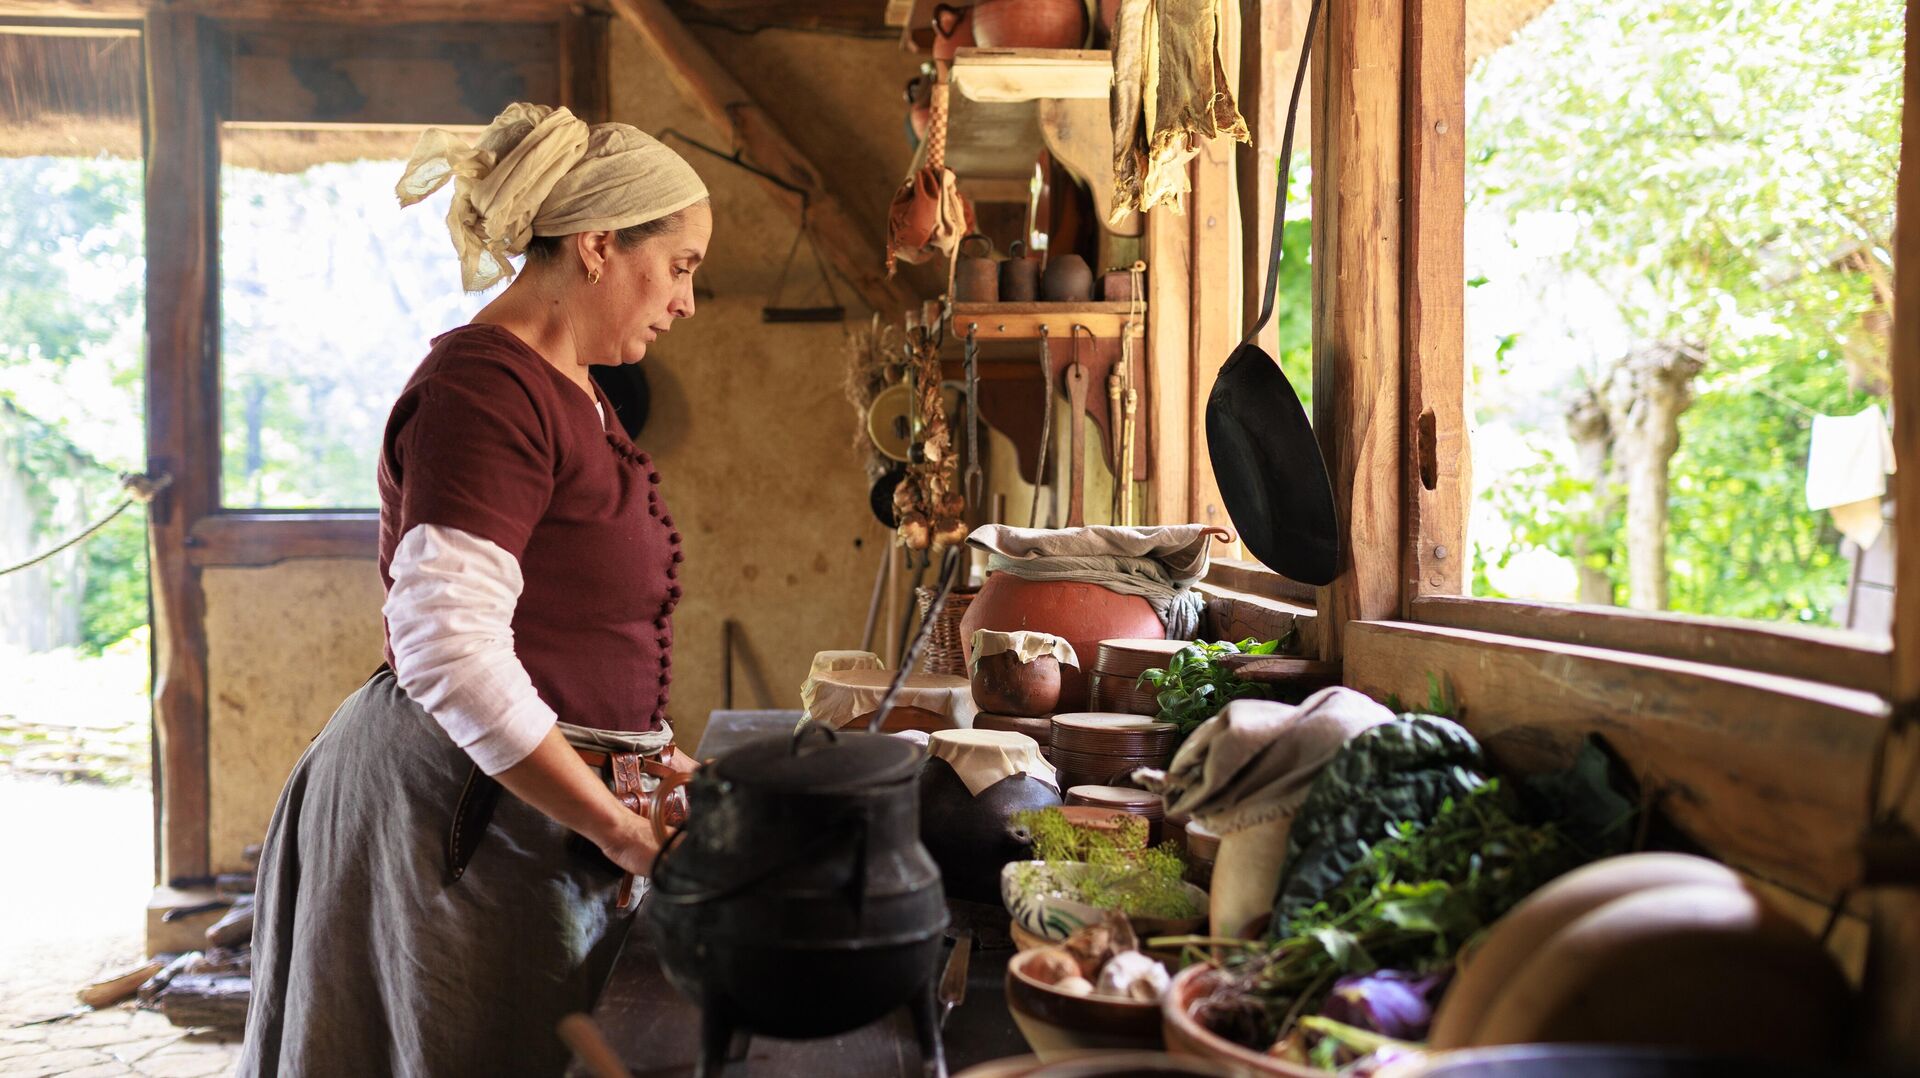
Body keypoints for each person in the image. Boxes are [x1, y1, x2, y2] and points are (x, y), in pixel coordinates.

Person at [238, 102, 712, 1076]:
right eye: (681, 266)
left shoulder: (565, 385)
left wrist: (650, 762)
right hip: (455, 811)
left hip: (524, 802)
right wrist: (619, 827)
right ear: (595, 244)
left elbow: (573, 622)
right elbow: (450, 646)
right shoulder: (483, 389)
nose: (687, 302)